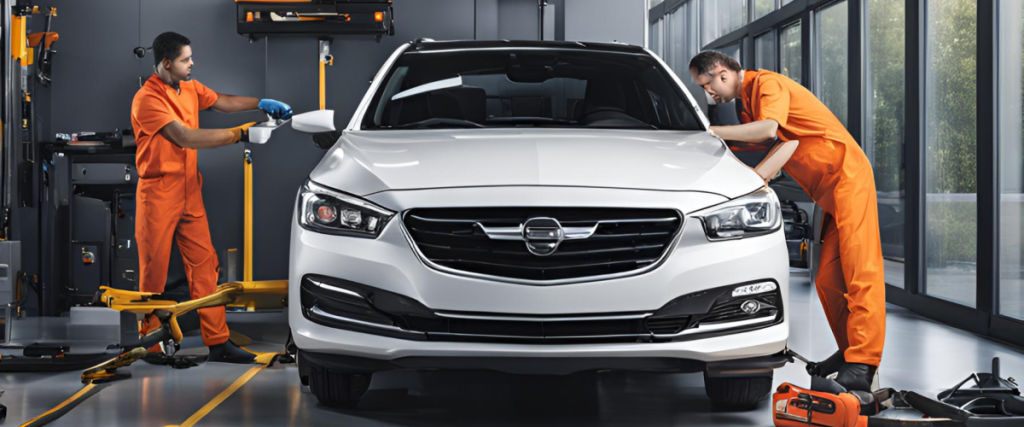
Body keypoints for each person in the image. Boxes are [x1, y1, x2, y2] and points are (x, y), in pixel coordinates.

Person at [689, 51, 886, 392]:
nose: (709, 94)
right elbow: (782, 145)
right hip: (829, 192)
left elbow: (768, 131)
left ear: (722, 73)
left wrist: (708, 131)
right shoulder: (749, 105)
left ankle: (864, 362)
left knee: (860, 270)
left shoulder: (768, 84)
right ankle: (850, 352)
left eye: (707, 85)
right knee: (828, 279)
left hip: (848, 177)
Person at [130, 31, 292, 364]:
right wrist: (240, 134)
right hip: (158, 193)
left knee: (205, 268)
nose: (192, 63)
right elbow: (184, 137)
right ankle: (150, 343)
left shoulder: (188, 87)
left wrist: (260, 103)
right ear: (166, 63)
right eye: (185, 59)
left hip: (189, 190)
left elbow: (221, 101)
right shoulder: (147, 99)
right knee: (153, 273)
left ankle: (218, 343)